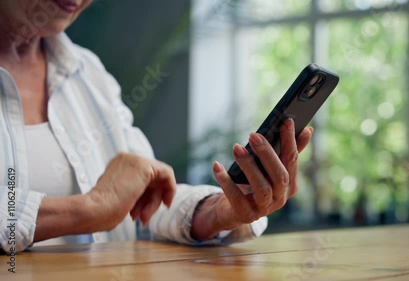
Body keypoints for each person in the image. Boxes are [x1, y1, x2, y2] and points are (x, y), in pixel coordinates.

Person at [0, 0, 313, 252]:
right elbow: (106, 205)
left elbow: (145, 204)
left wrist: (220, 212)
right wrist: (88, 209)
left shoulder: (89, 74)